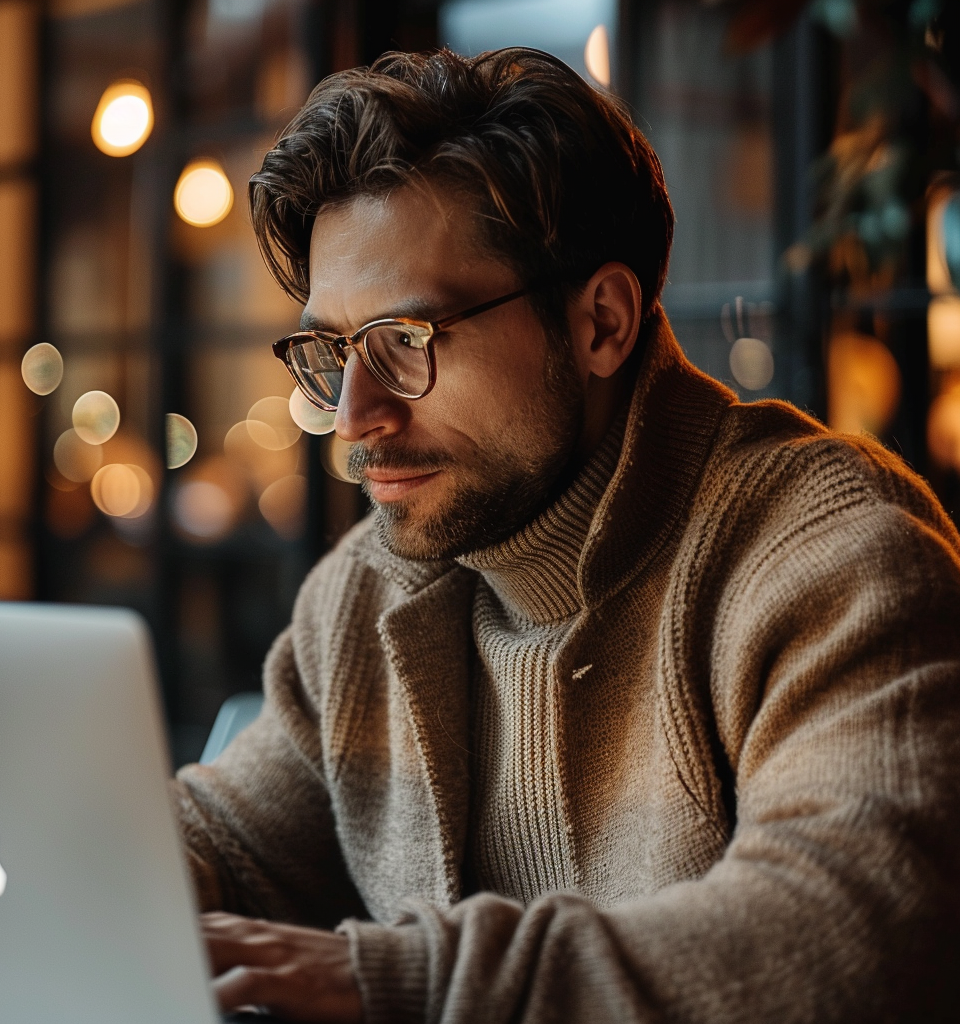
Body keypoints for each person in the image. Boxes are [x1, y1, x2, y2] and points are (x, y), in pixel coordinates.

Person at [172, 47, 960, 1023]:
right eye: (332, 351)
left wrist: (411, 980)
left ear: (601, 323)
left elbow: (852, 932)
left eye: (405, 342)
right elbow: (225, 842)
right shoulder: (371, 593)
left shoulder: (829, 552)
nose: (353, 413)